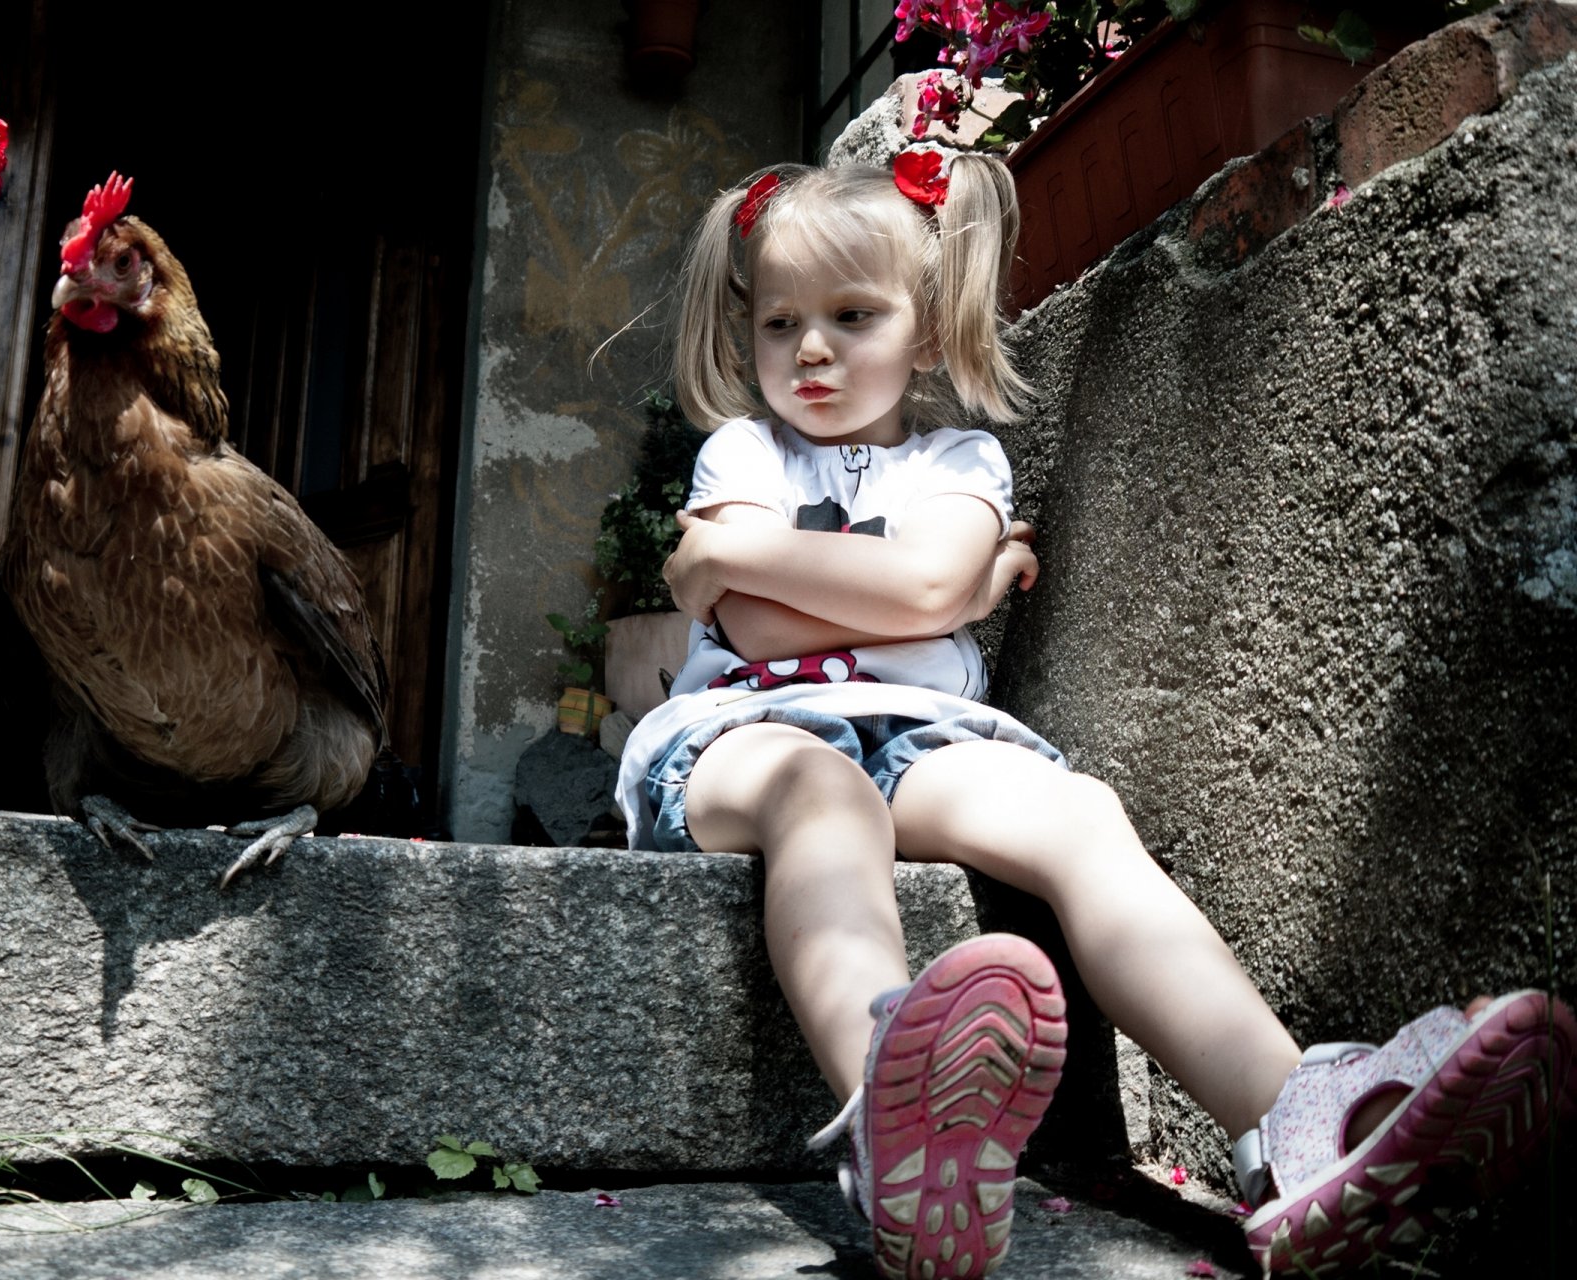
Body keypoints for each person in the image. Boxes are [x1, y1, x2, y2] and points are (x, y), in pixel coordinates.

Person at [612, 156, 1575, 1279]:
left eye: (850, 315)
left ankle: (1296, 1122)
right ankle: (896, 1108)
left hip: (922, 736)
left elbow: (900, 591)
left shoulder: (957, 456)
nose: (811, 348)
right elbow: (771, 632)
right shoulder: (743, 450)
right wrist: (927, 583)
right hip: (745, 738)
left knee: (1076, 810)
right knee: (820, 795)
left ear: (926, 333)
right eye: (780, 324)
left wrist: (757, 552)